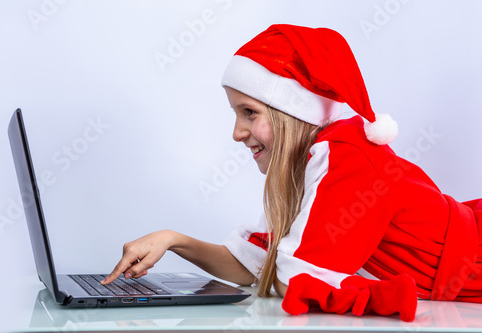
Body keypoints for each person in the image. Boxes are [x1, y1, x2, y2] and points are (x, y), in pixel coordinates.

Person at [99, 24, 482, 321]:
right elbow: (259, 266)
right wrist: (173, 240)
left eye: (249, 112)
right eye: (235, 114)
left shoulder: (347, 156)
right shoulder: (307, 166)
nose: (237, 133)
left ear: (291, 113)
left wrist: (281, 271)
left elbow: (295, 280)